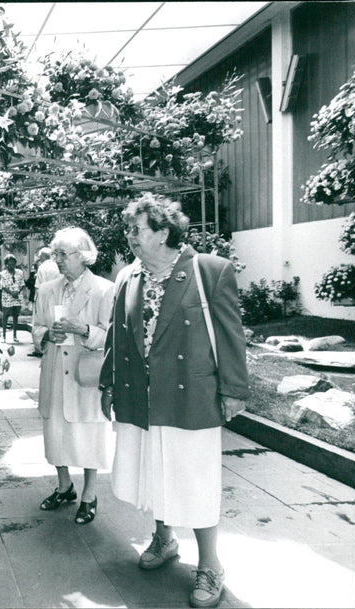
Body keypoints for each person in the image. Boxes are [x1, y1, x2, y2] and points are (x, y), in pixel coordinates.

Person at [98, 193, 249, 608]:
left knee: (195, 481)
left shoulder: (209, 271)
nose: (129, 236)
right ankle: (164, 540)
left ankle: (211, 565)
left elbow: (231, 335)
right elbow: (117, 334)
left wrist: (234, 390)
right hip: (141, 396)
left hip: (189, 395)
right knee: (152, 471)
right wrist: (108, 384)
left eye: (136, 229)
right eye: (128, 229)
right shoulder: (128, 276)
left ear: (163, 232)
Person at [32, 227, 114, 525]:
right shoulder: (46, 289)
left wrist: (84, 330)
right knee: (55, 432)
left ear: (83, 255)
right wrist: (44, 335)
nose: (58, 260)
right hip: (54, 370)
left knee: (88, 433)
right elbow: (36, 326)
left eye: (63, 254)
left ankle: (89, 495)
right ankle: (64, 486)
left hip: (85, 373)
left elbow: (111, 334)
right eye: (55, 254)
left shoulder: (105, 289)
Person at [28, 247, 62, 357]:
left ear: (42, 256)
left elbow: (38, 287)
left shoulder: (43, 267)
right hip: (58, 299)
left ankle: (39, 349)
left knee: (40, 323)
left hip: (44, 299)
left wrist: (37, 302)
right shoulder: (57, 265)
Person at [0, 254, 25, 342]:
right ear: (6, 265)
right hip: (7, 298)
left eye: (13, 264)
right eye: (9, 264)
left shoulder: (19, 272)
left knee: (15, 317)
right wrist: (11, 293)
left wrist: (18, 292)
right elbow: (3, 286)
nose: (11, 266)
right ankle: (4, 336)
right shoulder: (3, 274)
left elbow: (22, 284)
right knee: (5, 316)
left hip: (17, 298)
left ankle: (15, 336)